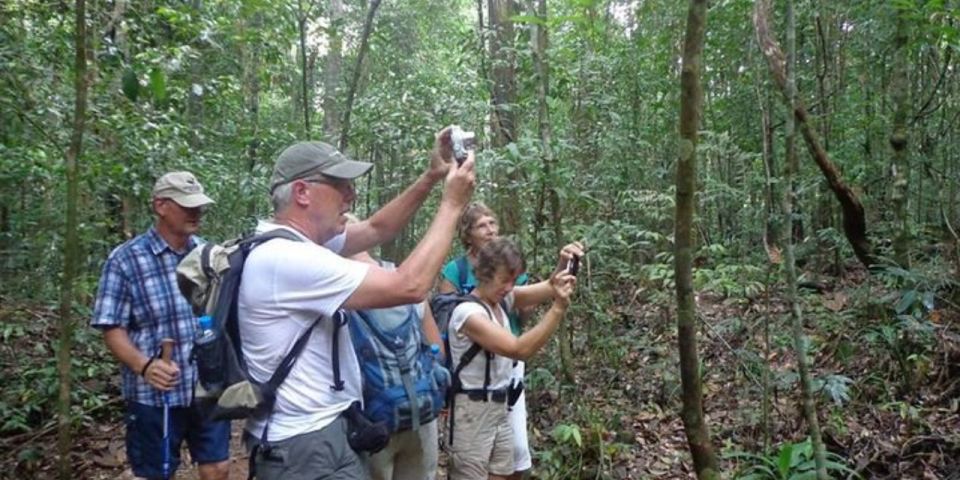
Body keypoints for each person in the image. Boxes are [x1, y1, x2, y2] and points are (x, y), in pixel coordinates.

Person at [238, 132, 475, 480]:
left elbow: (379, 228)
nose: (351, 194)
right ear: (302, 192)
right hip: (304, 445)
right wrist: (452, 205)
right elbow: (409, 286)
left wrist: (430, 177)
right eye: (339, 184)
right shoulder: (286, 258)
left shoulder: (298, 245)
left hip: (326, 431)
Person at [91, 171, 230, 480]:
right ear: (160, 206)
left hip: (206, 385)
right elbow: (111, 327)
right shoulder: (126, 260)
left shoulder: (209, 255)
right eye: (186, 205)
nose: (196, 213)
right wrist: (144, 365)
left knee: (217, 467)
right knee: (156, 472)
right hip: (153, 393)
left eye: (199, 206)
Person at [439, 202, 579, 479]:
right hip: (471, 412)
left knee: (502, 473)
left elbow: (549, 287)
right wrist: (558, 309)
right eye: (505, 281)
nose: (509, 288)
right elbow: (519, 349)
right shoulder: (468, 313)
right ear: (484, 275)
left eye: (513, 281)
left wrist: (566, 262)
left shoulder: (500, 299)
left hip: (499, 407)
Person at [347, 243, 444, 480]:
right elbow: (438, 351)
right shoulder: (407, 284)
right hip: (420, 411)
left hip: (370, 420)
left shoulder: (338, 289)